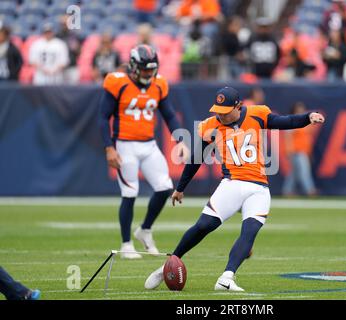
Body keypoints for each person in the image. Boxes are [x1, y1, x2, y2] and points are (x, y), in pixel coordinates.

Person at [144, 87, 325, 291]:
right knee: (203, 226)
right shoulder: (210, 126)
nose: (221, 115)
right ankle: (168, 264)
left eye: (225, 110)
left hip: (258, 187)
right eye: (218, 110)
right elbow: (196, 158)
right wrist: (180, 187)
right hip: (231, 183)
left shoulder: (257, 114)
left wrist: (308, 117)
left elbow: (286, 122)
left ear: (238, 106)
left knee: (250, 231)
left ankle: (227, 278)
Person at [98, 45, 189, 259]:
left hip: (148, 145)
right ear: (133, 66)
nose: (149, 73)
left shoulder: (159, 84)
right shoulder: (117, 82)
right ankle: (126, 243)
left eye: (151, 69)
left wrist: (180, 139)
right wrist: (109, 147)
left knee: (165, 187)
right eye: (144, 69)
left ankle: (145, 230)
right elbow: (102, 117)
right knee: (130, 192)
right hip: (124, 144)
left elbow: (169, 115)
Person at [282, 102, 318, 197]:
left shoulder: (305, 122)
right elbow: (288, 137)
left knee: (294, 173)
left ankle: (287, 191)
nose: (300, 111)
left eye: (302, 109)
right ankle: (310, 190)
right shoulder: (292, 121)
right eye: (298, 110)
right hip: (296, 151)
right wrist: (289, 150)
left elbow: (308, 137)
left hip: (304, 150)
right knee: (304, 171)